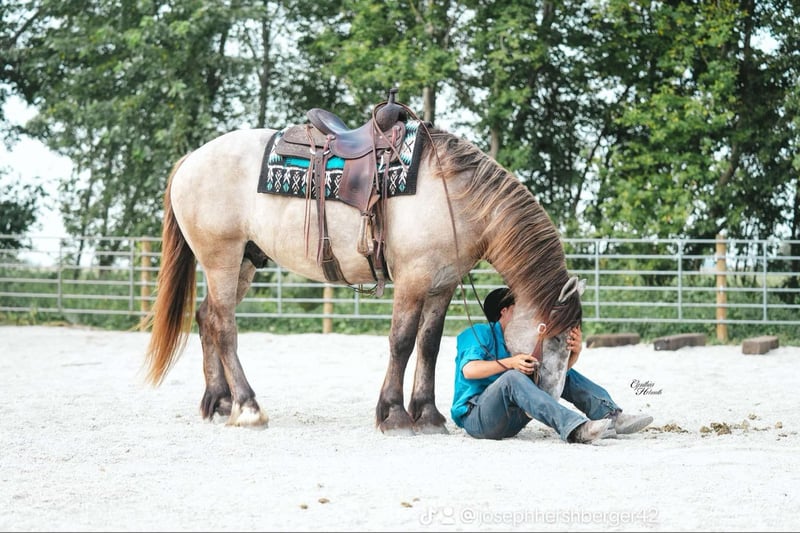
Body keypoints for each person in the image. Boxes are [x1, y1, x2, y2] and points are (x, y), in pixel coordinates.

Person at [451, 287, 653, 444]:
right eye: (518, 309)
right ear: (504, 311)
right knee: (512, 377)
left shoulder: (519, 341)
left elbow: (555, 380)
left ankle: (611, 416)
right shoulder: (477, 333)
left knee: (550, 370)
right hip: (477, 418)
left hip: (512, 420)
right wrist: (511, 363)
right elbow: (469, 370)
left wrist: (575, 352)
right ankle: (575, 428)